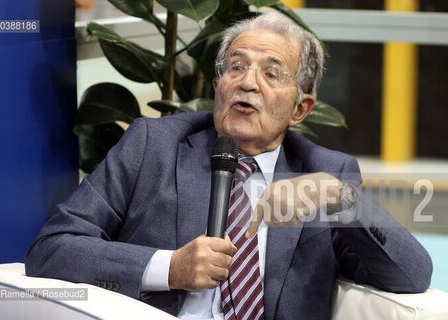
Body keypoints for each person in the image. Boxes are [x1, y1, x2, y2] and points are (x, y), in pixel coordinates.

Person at [26, 12, 432, 319]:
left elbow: (411, 276)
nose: (248, 82)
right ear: (218, 85)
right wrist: (170, 268)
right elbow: (52, 249)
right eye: (236, 67)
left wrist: (342, 199)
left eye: (272, 74)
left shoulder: (325, 174)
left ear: (300, 109)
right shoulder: (154, 145)